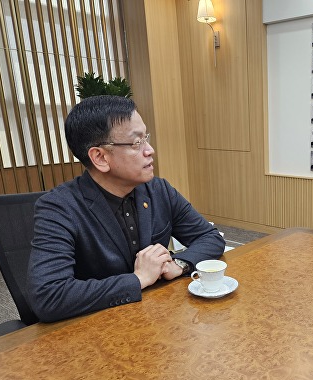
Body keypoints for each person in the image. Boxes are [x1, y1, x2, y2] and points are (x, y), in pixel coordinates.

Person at [27, 95, 226, 322]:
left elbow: (209, 237)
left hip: (159, 319)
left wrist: (179, 264)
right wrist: (138, 279)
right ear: (100, 157)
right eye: (136, 143)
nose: (150, 150)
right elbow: (48, 296)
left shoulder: (158, 190)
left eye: (146, 138)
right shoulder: (59, 208)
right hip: (99, 330)